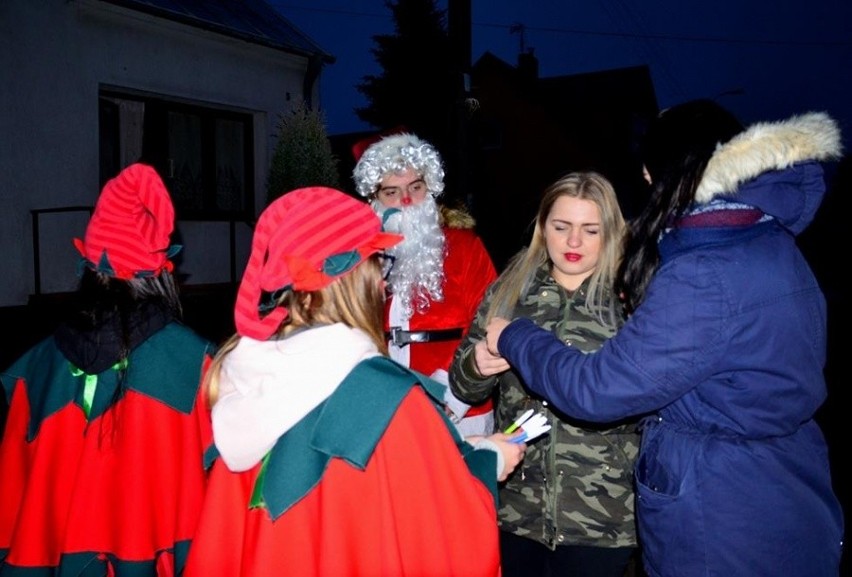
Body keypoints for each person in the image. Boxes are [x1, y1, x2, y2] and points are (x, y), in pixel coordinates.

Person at [485, 100, 845, 576]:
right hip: (785, 486)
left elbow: (598, 389)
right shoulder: (771, 243)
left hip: (720, 513)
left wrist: (517, 336)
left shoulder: (702, 276)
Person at [183, 186, 524, 577]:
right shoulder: (383, 395)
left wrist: (453, 448)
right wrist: (487, 461)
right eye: (376, 263)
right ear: (352, 279)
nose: (384, 282)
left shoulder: (243, 377)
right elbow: (444, 537)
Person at [0, 163, 214, 575]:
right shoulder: (194, 360)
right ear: (161, 272)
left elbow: (15, 491)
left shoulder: (39, 363)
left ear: (89, 266)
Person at [450, 172, 640, 577]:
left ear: (611, 232)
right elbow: (461, 385)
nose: (574, 243)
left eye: (590, 230)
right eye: (561, 227)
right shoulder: (510, 289)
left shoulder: (632, 297)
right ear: (542, 228)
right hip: (518, 509)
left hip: (606, 516)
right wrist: (476, 364)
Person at [352, 132, 498, 436]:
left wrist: (452, 393)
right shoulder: (360, 259)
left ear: (429, 189)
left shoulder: (465, 247)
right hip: (384, 408)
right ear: (373, 200)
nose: (406, 201)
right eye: (391, 192)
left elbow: (491, 324)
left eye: (415, 188)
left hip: (460, 409)